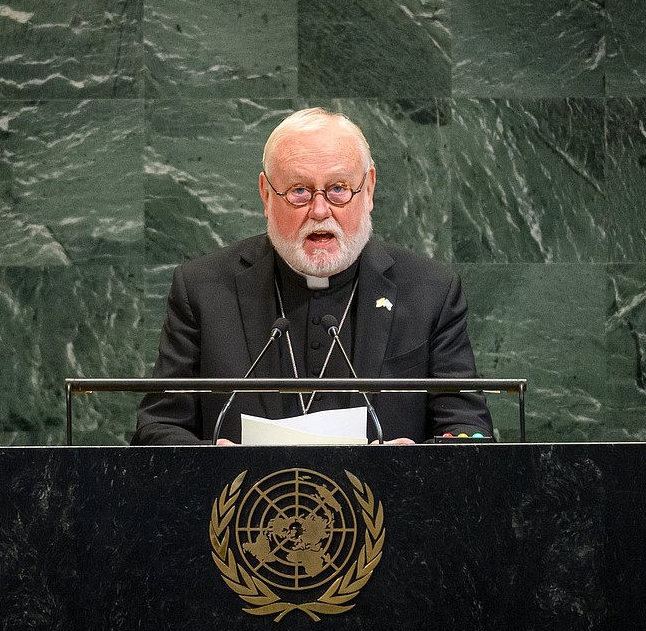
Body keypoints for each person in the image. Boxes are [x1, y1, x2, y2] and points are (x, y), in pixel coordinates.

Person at [131, 107, 492, 445]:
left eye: (338, 189)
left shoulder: (431, 291)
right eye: (299, 191)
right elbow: (158, 428)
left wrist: (418, 463)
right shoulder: (203, 288)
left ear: (368, 190)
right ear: (265, 194)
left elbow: (470, 430)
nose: (320, 211)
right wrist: (209, 463)